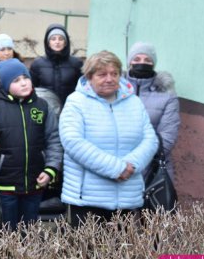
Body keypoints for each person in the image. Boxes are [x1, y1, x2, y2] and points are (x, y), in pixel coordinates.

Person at [59, 50, 158, 227]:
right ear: (89, 77)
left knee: (122, 251)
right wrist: (116, 168)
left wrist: (131, 165)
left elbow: (150, 139)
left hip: (127, 196)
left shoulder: (133, 102)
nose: (110, 79)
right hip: (87, 200)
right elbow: (73, 142)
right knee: (86, 253)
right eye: (102, 74)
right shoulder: (76, 102)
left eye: (114, 74)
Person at [0, 59, 62, 230]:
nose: (24, 83)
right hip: (4, 188)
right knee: (6, 234)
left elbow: (53, 140)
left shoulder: (42, 106)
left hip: (35, 185)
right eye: (16, 80)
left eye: (26, 77)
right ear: (4, 84)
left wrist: (50, 169)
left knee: (29, 232)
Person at [125, 42, 180, 180]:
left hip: (152, 168)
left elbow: (167, 136)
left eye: (147, 60)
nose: (142, 63)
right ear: (129, 62)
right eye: (136, 59)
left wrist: (135, 162)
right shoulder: (116, 89)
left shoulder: (167, 94)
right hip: (118, 164)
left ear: (153, 63)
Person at [30, 24, 83, 105]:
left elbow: (81, 89)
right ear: (48, 43)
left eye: (61, 39)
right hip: (46, 108)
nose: (57, 42)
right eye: (53, 39)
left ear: (65, 42)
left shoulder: (76, 63)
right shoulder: (37, 64)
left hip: (70, 107)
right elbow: (32, 89)